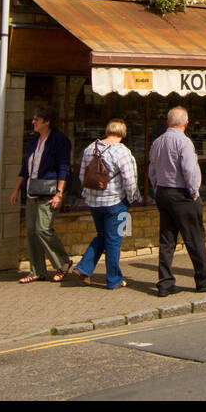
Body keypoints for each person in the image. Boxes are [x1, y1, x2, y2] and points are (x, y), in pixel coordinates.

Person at [148, 106, 206, 296]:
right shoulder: (184, 142)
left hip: (163, 193)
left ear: (168, 122)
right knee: (194, 238)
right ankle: (203, 280)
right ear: (186, 123)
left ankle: (165, 283)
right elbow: (189, 170)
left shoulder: (157, 142)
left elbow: (151, 170)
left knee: (167, 241)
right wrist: (194, 192)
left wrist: (156, 188)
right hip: (182, 195)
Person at [12, 104, 73, 283]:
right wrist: (16, 189)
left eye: (37, 119)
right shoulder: (34, 141)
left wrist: (59, 193)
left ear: (47, 121)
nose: (33, 122)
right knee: (31, 231)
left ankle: (63, 262)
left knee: (43, 229)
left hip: (50, 191)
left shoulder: (59, 140)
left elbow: (64, 167)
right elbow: (25, 167)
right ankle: (37, 270)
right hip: (32, 190)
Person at [74, 119, 138, 290]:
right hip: (115, 202)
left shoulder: (90, 148)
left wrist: (90, 194)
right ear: (123, 134)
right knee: (113, 240)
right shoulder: (122, 151)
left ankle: (84, 269)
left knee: (103, 235)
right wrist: (131, 198)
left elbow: (82, 175)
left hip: (94, 202)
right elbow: (130, 180)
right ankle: (114, 279)